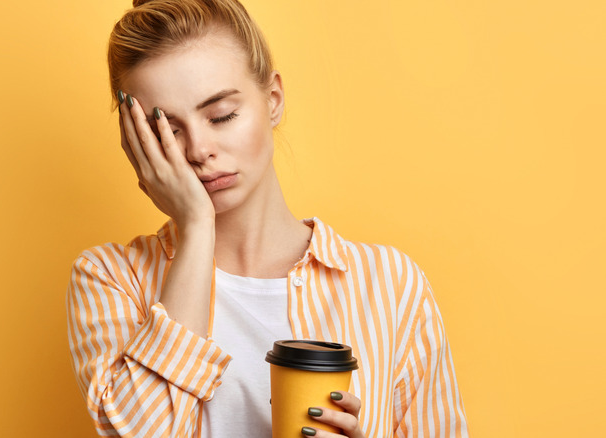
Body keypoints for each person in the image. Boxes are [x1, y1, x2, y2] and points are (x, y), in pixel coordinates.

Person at [67, 0, 469, 436]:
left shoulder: (391, 285)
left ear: (272, 100)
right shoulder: (110, 278)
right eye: (167, 130)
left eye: (222, 115)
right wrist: (197, 226)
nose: (199, 150)